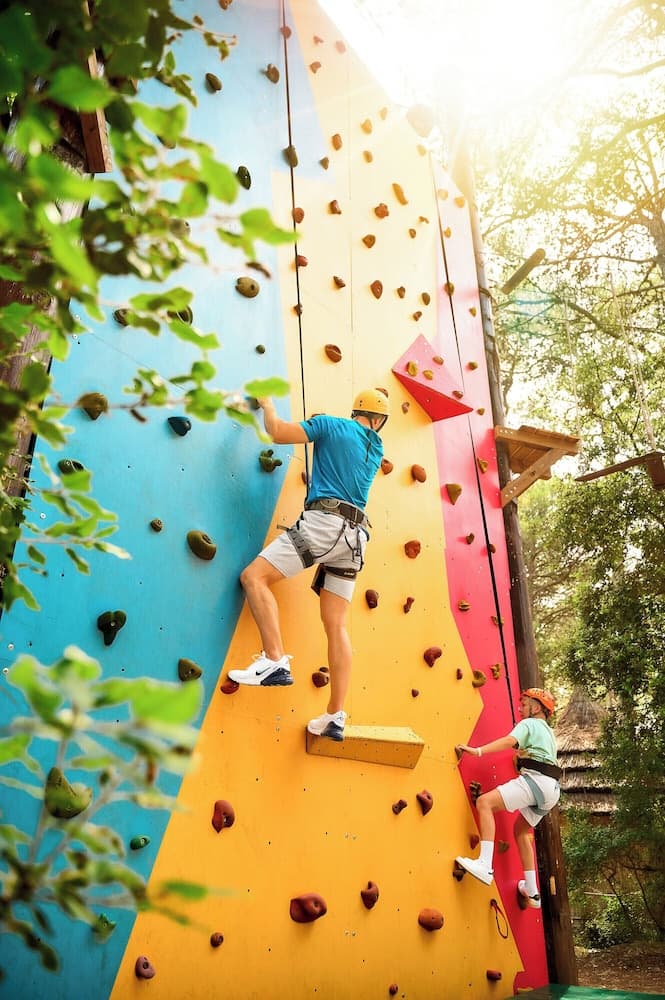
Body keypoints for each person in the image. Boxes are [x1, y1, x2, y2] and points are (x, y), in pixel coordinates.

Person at [228, 389, 389, 742]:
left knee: (254, 577)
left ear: (355, 411)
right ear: (379, 421)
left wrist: (267, 404)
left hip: (324, 525)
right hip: (355, 541)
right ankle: (335, 714)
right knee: (336, 625)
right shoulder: (375, 449)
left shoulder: (331, 425)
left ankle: (274, 659)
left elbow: (277, 433)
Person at [454, 687, 561, 908]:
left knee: (484, 802)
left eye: (524, 704)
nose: (520, 709)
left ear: (536, 707)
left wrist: (478, 751)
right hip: (552, 790)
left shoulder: (529, 724)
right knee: (520, 831)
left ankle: (485, 864)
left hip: (535, 781)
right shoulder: (549, 733)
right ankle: (532, 891)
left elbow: (509, 741)